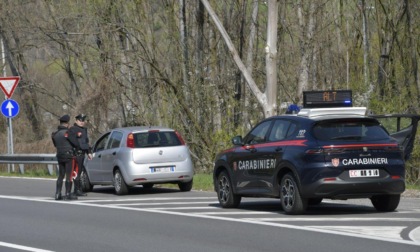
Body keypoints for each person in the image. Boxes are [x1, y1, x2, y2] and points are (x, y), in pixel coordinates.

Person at [51, 115, 78, 200]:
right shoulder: (68, 132)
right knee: (69, 175)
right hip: (69, 156)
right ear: (67, 124)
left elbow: (55, 145)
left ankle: (58, 194)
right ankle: (67, 194)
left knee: (61, 175)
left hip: (60, 155)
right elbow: (76, 143)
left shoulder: (55, 134)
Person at [68, 113, 93, 196]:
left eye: (83, 120)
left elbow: (86, 142)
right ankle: (77, 190)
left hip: (82, 154)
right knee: (76, 172)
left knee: (80, 172)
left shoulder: (84, 130)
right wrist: (77, 148)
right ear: (76, 121)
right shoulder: (72, 129)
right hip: (76, 154)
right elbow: (71, 140)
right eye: (80, 120)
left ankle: (77, 189)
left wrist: (89, 152)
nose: (82, 122)